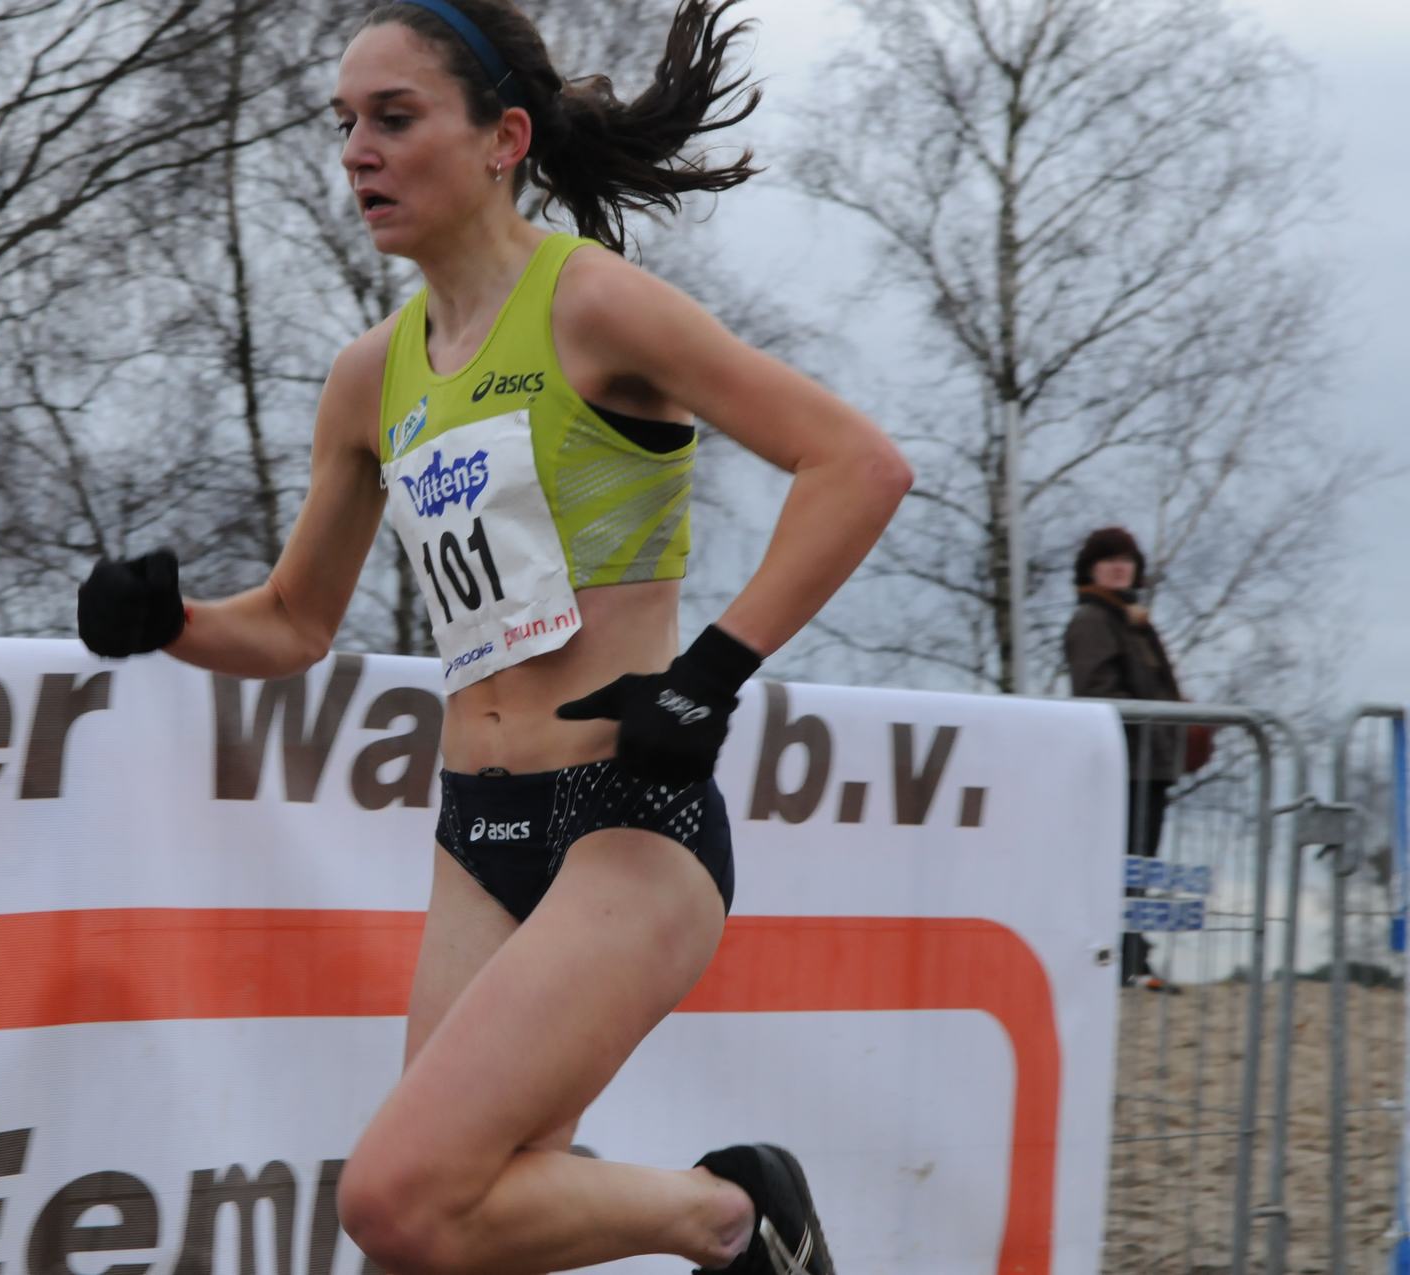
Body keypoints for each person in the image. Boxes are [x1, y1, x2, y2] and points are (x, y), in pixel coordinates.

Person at [77, 2, 910, 1270]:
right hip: (479, 833)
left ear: (502, 139)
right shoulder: (372, 377)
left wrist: (710, 675)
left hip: (628, 825)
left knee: (394, 1200)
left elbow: (856, 465)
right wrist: (170, 624)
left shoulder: (594, 305)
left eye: (394, 118)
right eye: (344, 123)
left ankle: (733, 1215)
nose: (357, 151)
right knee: (437, 1237)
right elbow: (295, 622)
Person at [1064, 525, 1197, 992]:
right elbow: (1095, 690)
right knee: (1123, 865)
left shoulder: (1130, 620)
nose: (1120, 567)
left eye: (1127, 559)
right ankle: (1119, 961)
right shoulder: (1092, 620)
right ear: (1090, 569)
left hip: (1147, 763)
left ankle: (1133, 958)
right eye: (1109, 559)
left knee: (1138, 866)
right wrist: (1156, 723)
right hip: (1123, 763)